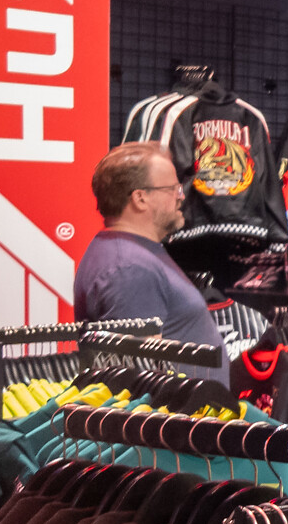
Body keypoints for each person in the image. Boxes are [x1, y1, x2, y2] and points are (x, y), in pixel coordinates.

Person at [72, 143, 229, 386]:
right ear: (140, 198)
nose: (181, 196)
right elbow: (137, 383)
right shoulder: (129, 268)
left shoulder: (131, 254)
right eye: (172, 189)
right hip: (180, 411)